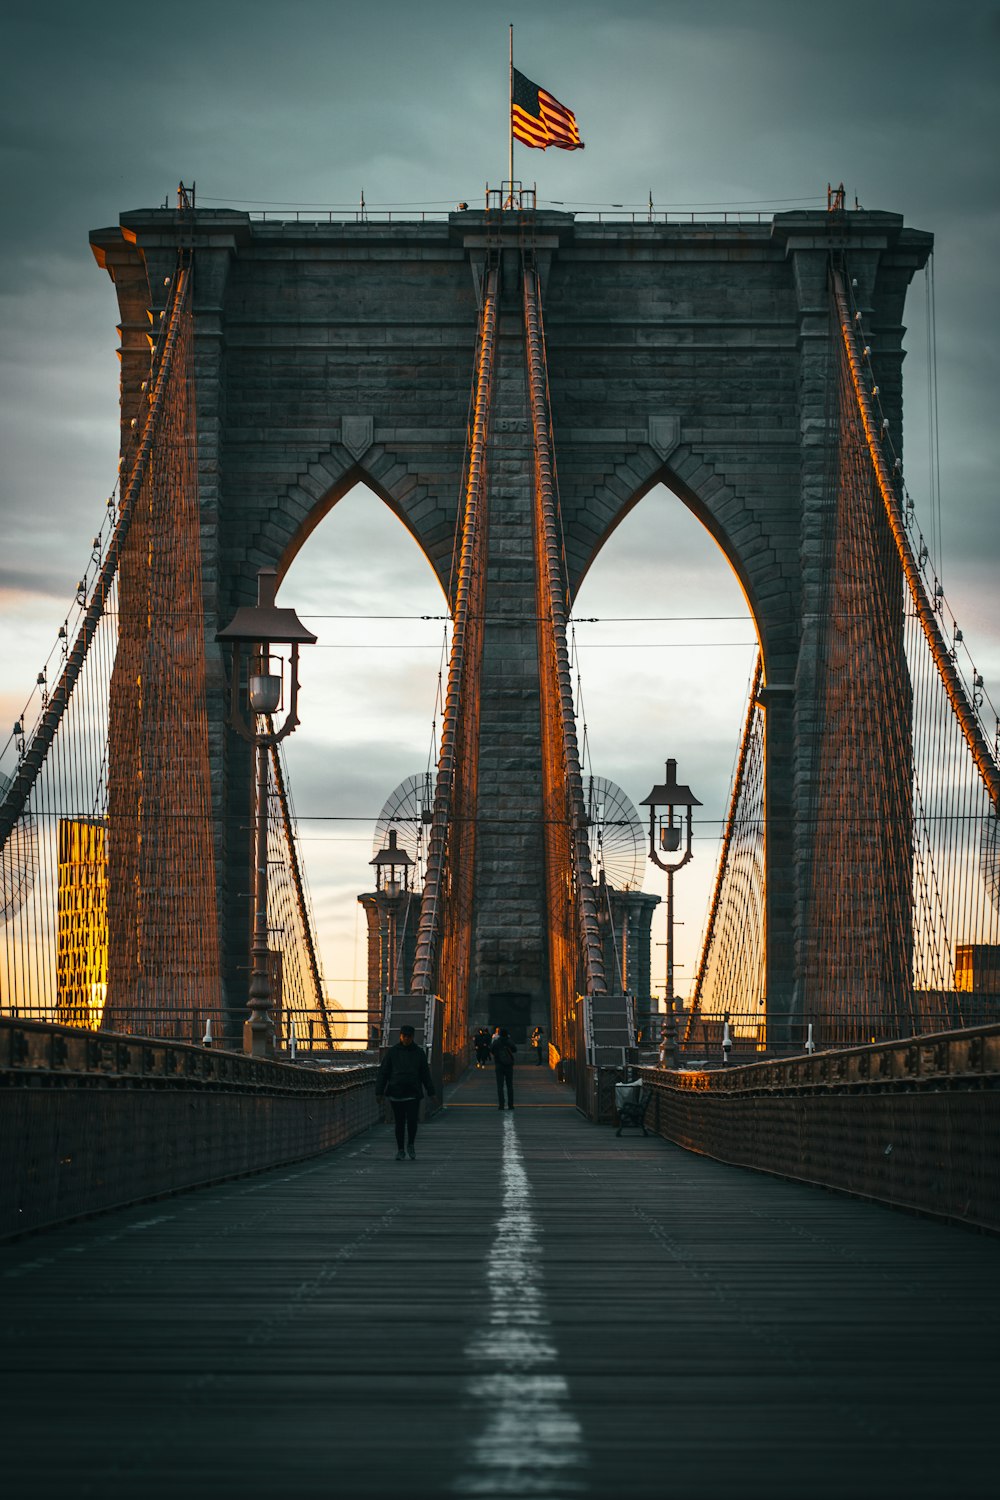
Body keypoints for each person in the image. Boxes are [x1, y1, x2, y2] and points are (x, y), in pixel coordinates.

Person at [375, 1024, 435, 1160]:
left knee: (412, 1121)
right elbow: (383, 1073)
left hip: (412, 1092)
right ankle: (401, 1149)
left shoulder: (418, 1053)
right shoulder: (394, 1052)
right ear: (401, 1036)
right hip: (397, 1093)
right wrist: (379, 1092)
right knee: (400, 1123)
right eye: (404, 1036)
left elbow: (425, 1075)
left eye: (408, 1037)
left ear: (412, 1037)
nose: (406, 1039)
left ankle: (410, 1145)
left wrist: (431, 1092)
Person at [490, 1026, 516, 1110]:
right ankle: (510, 1105)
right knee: (509, 1086)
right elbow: (515, 1049)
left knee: (500, 1086)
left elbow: (492, 1050)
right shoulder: (509, 1041)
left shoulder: (497, 1042)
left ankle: (501, 1105)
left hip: (499, 1065)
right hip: (508, 1065)